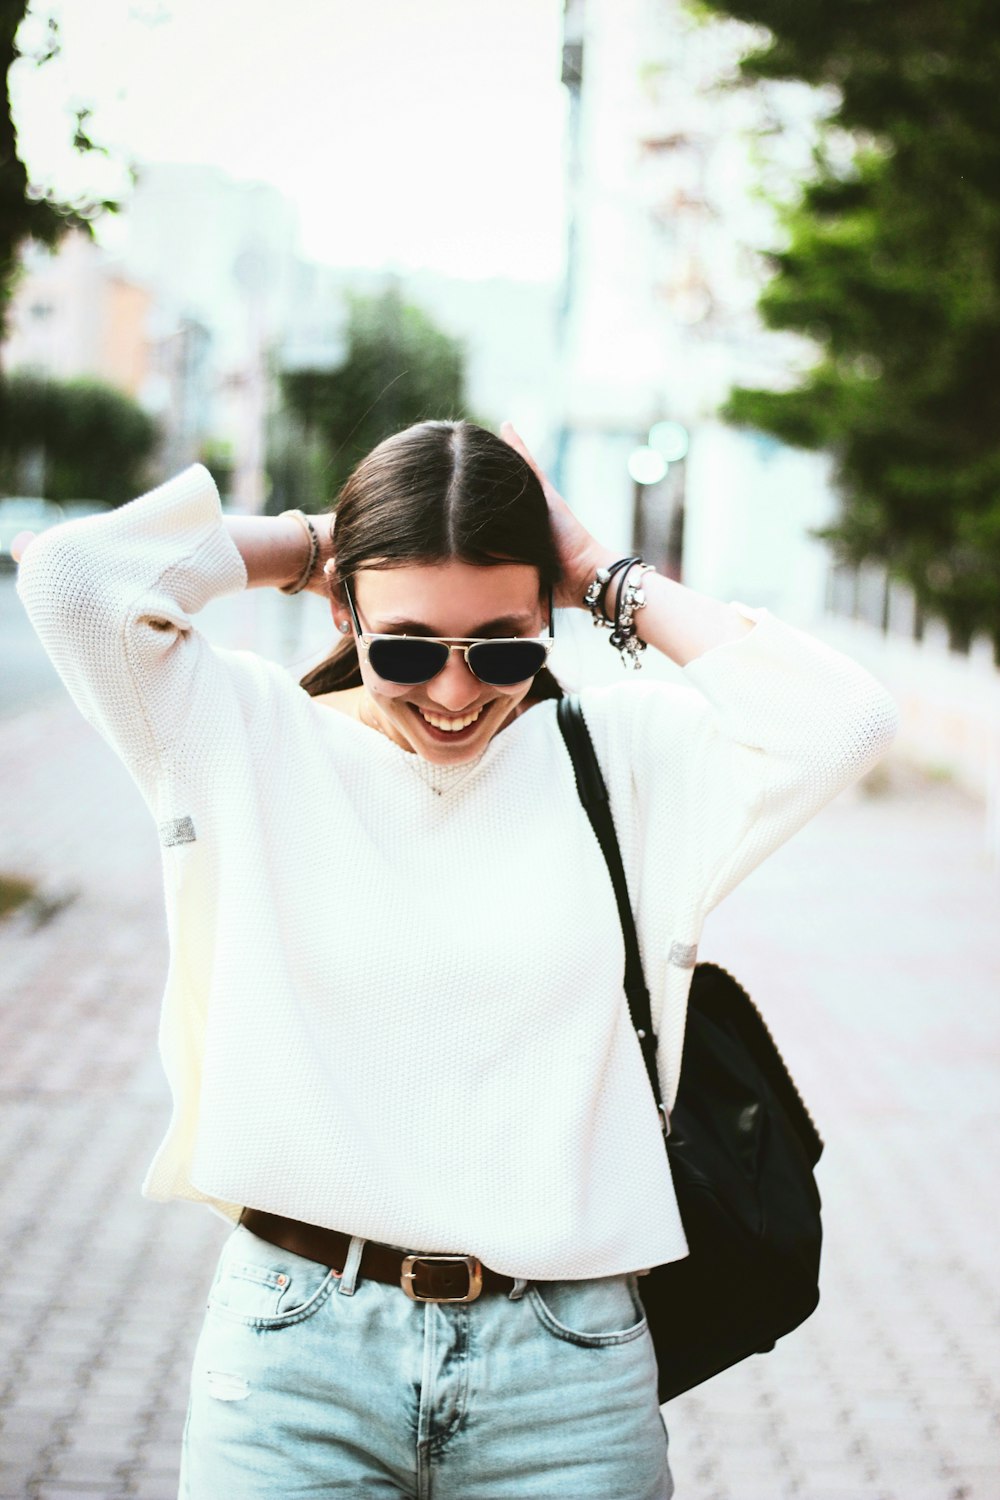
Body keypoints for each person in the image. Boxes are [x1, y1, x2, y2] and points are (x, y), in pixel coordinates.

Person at [16, 417, 899, 1499]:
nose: (452, 691)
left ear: (548, 621)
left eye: (502, 645)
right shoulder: (246, 740)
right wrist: (315, 542)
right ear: (343, 610)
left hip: (566, 1377)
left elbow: (842, 721)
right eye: (406, 645)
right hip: (295, 1358)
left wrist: (603, 575)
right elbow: (70, 577)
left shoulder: (619, 761)